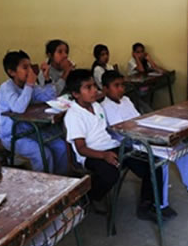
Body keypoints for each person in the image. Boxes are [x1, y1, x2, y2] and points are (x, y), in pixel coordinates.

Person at [101, 70, 188, 209]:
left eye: (122, 85)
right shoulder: (105, 107)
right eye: (116, 86)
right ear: (105, 89)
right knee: (161, 158)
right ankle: (161, 204)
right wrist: (149, 132)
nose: (121, 89)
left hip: (143, 134)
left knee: (184, 142)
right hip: (130, 143)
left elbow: (138, 119)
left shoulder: (126, 100)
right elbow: (122, 130)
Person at [63, 69, 164, 222]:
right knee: (110, 174)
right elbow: (81, 149)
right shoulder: (73, 115)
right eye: (88, 88)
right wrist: (104, 155)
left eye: (94, 86)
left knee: (152, 163)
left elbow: (105, 131)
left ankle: (147, 205)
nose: (94, 90)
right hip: (91, 154)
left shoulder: (96, 106)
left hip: (111, 146)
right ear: (76, 94)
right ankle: (89, 197)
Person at [0, 50, 69, 174]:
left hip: (30, 130)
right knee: (43, 154)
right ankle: (44, 183)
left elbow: (50, 96)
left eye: (30, 67)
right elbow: (18, 108)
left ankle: (61, 179)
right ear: (11, 72)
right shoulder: (6, 88)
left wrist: (46, 78)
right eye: (25, 68)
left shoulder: (28, 86)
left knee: (60, 146)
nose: (30, 71)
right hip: (13, 136)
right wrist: (30, 84)